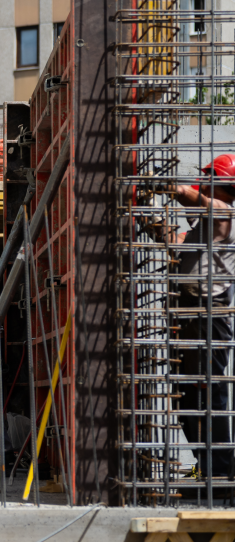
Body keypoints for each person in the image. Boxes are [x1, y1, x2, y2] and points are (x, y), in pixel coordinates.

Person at [150, 153, 235, 480]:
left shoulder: (225, 214)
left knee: (207, 394)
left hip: (208, 317)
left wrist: (165, 185)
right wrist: (154, 223)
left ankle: (221, 472)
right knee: (187, 393)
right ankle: (209, 467)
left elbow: (192, 197)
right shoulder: (205, 226)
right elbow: (178, 244)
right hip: (189, 314)